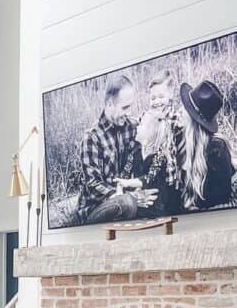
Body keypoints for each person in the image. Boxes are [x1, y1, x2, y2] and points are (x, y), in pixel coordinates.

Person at [80, 74, 158, 223]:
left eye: (131, 106)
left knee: (156, 197)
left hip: (130, 197)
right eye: (125, 107)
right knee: (127, 203)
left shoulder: (133, 127)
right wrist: (127, 196)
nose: (129, 112)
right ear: (109, 104)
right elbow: (93, 183)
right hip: (98, 206)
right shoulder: (92, 137)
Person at [176, 79, 235, 211]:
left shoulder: (217, 149)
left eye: (185, 108)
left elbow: (220, 200)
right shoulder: (180, 139)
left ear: (192, 118)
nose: (180, 110)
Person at [127, 109, 182, 217]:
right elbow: (125, 172)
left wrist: (127, 183)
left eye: (141, 124)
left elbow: (149, 178)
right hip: (141, 204)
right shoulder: (135, 152)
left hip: (159, 207)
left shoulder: (160, 156)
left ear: (150, 131)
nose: (137, 127)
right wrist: (121, 186)